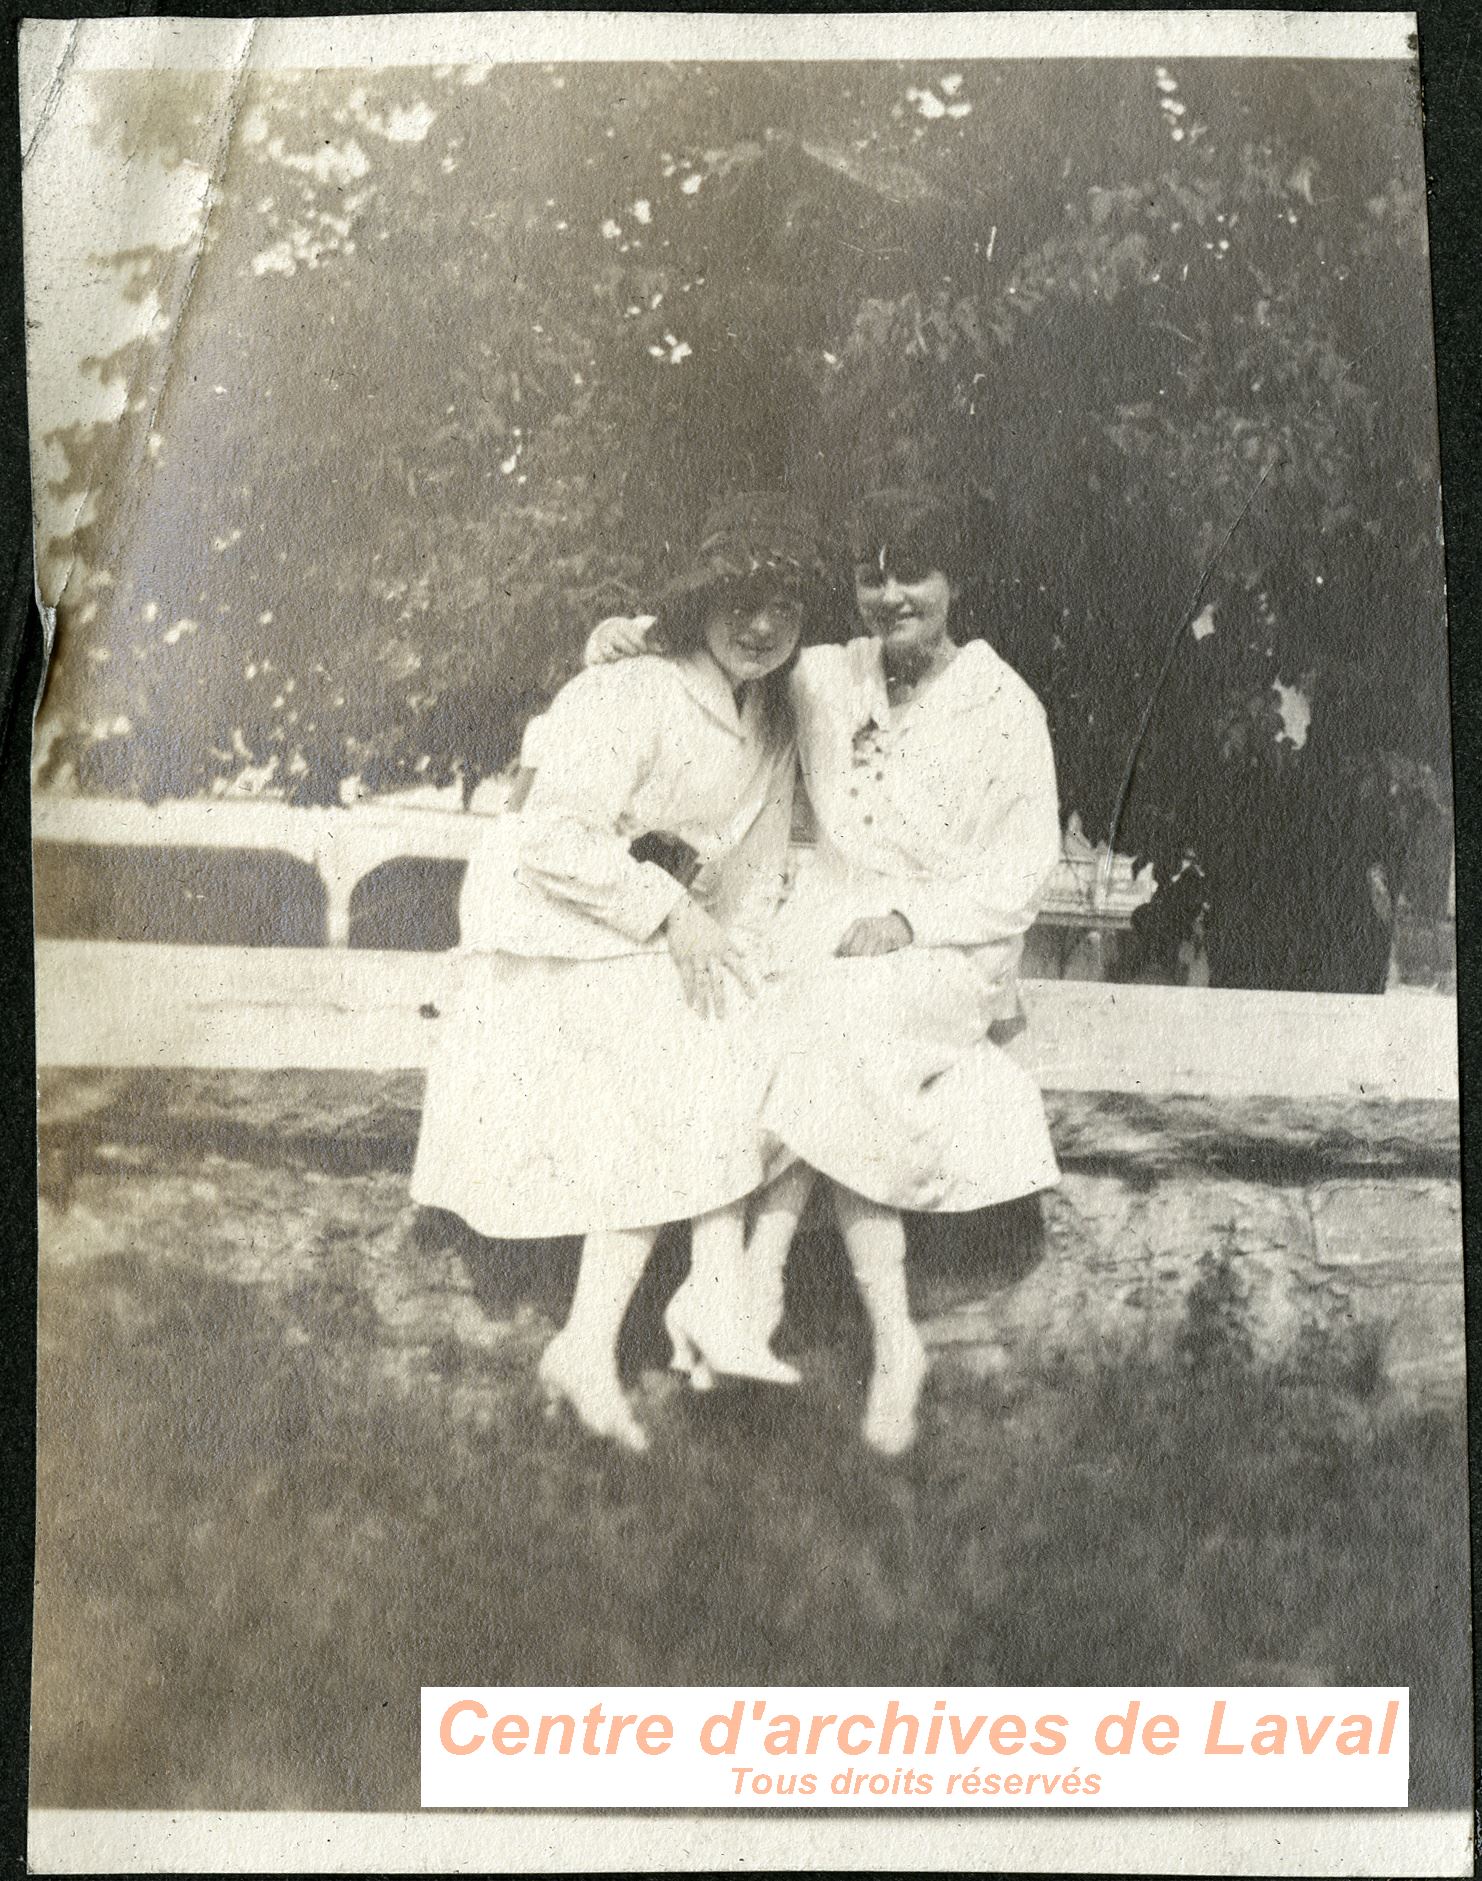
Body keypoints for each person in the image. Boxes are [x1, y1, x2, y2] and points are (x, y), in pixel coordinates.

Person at [588, 485, 1063, 1455]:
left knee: (847, 1013)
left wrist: (909, 917)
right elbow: (731, 639)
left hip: (948, 947)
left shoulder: (1004, 707)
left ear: (953, 583)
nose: (890, 596)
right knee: (780, 1011)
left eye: (912, 574)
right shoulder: (828, 676)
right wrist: (624, 633)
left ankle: (771, 1281)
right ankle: (888, 1342)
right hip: (831, 934)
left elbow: (1020, 876)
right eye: (870, 574)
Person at [409, 494, 827, 1452]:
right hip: (550, 938)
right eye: (741, 601)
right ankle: (619, 1333)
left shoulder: (768, 712)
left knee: (758, 1017)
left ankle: (688, 1303)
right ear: (699, 600)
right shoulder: (627, 691)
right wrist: (671, 911)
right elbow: (551, 838)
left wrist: (739, 950)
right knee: (673, 1037)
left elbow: (754, 877)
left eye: (785, 610)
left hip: (641, 938)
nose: (762, 627)